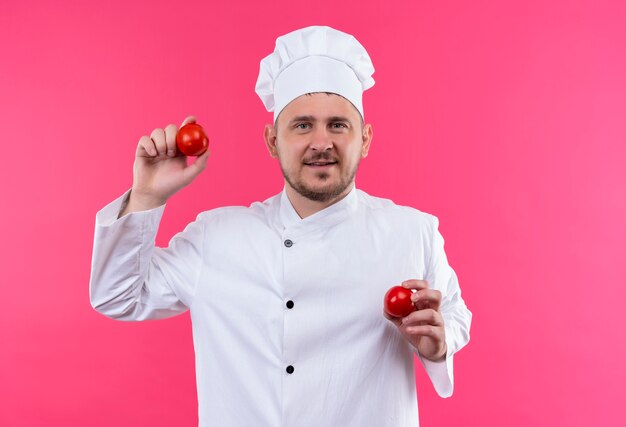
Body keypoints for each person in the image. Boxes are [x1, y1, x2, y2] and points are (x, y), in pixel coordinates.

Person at [90, 25, 471, 427]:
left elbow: (455, 313)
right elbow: (117, 295)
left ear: (366, 139)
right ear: (273, 140)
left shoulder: (413, 232)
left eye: (338, 125)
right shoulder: (216, 238)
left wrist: (438, 344)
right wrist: (147, 196)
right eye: (302, 125)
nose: (321, 142)